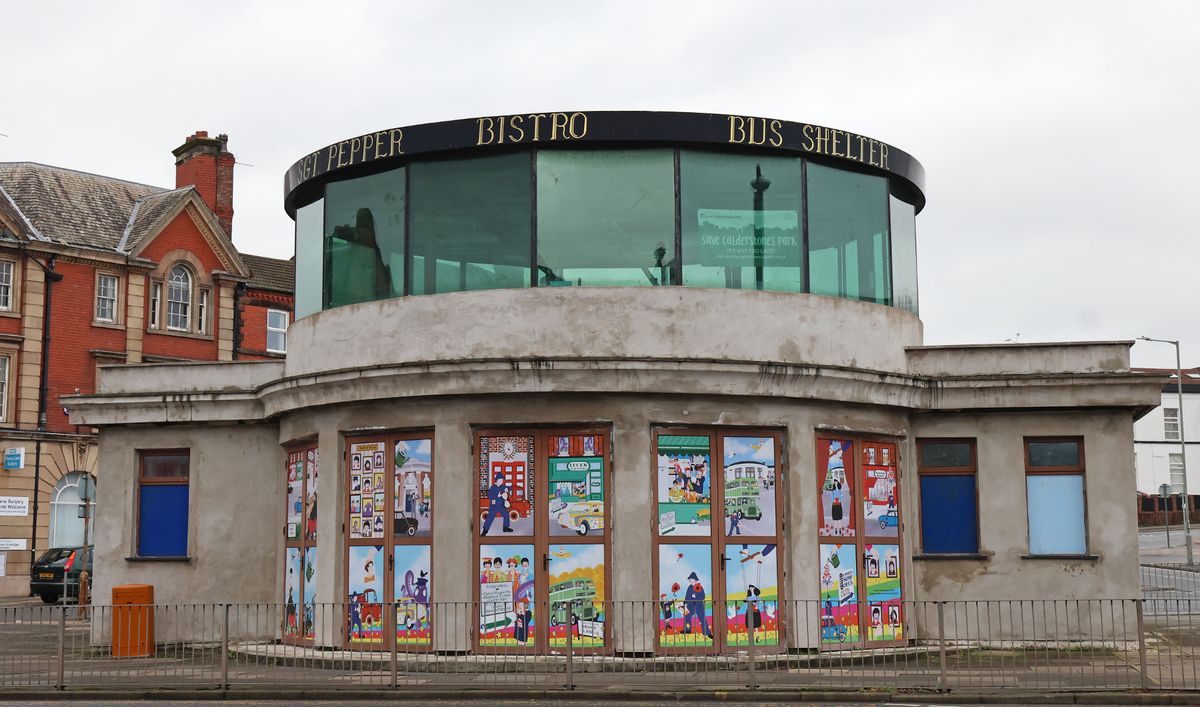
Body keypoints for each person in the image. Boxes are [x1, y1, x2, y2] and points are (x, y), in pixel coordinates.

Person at [683, 571, 712, 638]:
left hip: (699, 605)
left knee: (702, 619)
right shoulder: (689, 587)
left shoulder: (699, 586)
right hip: (691, 606)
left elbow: (703, 596)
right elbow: (687, 597)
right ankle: (687, 630)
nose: (691, 581)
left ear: (695, 580)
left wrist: (695, 595)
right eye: (690, 580)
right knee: (687, 616)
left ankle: (707, 633)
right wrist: (685, 605)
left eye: (692, 580)